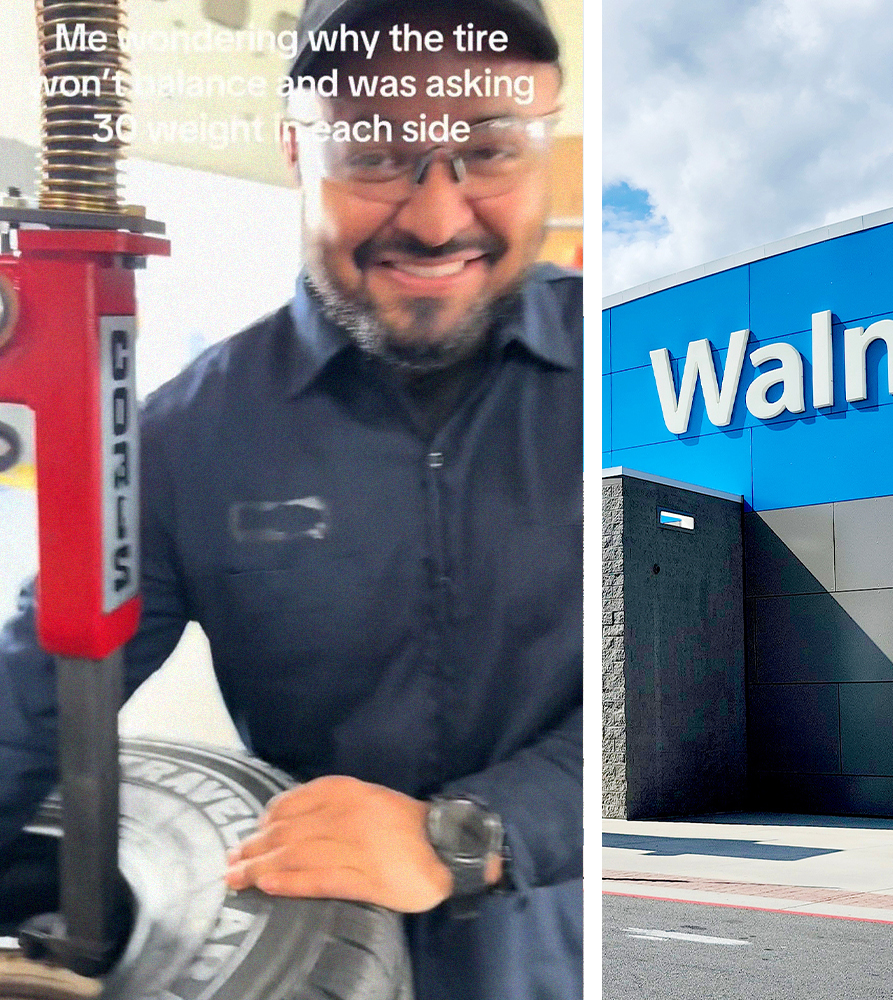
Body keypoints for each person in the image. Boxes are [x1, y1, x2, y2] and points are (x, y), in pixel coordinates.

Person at [0, 0, 582, 996]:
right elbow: (34, 698)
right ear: (294, 151)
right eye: (371, 151)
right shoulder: (186, 435)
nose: (438, 221)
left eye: (487, 150)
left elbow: (654, 696)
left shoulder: (618, 373)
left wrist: (475, 832)